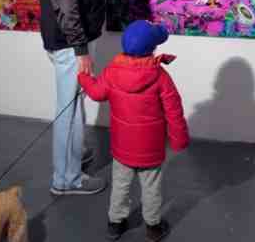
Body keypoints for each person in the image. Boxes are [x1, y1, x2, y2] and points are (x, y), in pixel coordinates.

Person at [78, 20, 190, 241]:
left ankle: (115, 224)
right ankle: (153, 227)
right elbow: (174, 111)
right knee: (151, 187)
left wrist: (83, 78)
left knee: (120, 185)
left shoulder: (112, 72)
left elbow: (97, 93)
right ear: (152, 48)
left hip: (123, 148)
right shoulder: (160, 77)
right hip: (151, 149)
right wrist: (179, 140)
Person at [37, 0, 107, 195]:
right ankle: (66, 179)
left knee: (75, 102)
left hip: (73, 41)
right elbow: (65, 0)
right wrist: (80, 48)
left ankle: (73, 155)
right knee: (69, 107)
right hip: (70, 44)